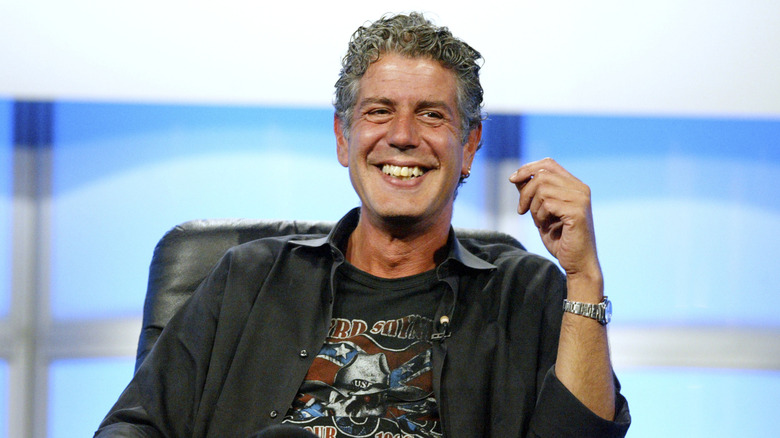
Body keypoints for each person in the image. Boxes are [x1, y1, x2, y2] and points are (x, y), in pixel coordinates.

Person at [95, 12, 630, 438]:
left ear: (469, 146)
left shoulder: (527, 293)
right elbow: (135, 427)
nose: (402, 135)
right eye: (378, 111)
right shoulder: (247, 278)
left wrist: (583, 276)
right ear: (342, 138)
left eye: (431, 114)